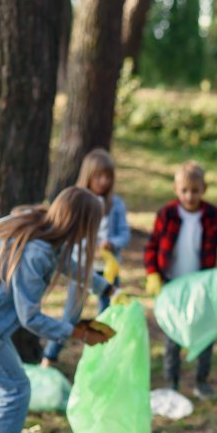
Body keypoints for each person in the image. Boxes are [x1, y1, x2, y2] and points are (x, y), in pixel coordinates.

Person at [0, 187, 115, 433]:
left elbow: (65, 263)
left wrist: (104, 287)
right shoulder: (36, 252)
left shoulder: (41, 226)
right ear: (81, 225)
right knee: (13, 390)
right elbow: (30, 317)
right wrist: (78, 333)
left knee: (13, 388)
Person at [144, 162, 217, 400]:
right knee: (173, 337)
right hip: (173, 285)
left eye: (195, 191)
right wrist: (153, 273)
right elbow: (152, 245)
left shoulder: (212, 215)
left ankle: (201, 382)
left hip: (202, 287)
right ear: (176, 189)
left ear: (203, 189)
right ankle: (172, 382)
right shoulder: (166, 215)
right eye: (185, 190)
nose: (190, 196)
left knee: (205, 333)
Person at [41, 148, 130, 367]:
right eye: (98, 176)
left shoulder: (115, 205)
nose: (103, 181)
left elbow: (124, 233)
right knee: (71, 315)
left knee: (107, 315)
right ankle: (49, 358)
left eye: (108, 177)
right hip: (81, 268)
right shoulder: (78, 202)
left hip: (107, 269)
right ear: (88, 176)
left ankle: (103, 359)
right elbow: (70, 232)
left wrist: (113, 244)